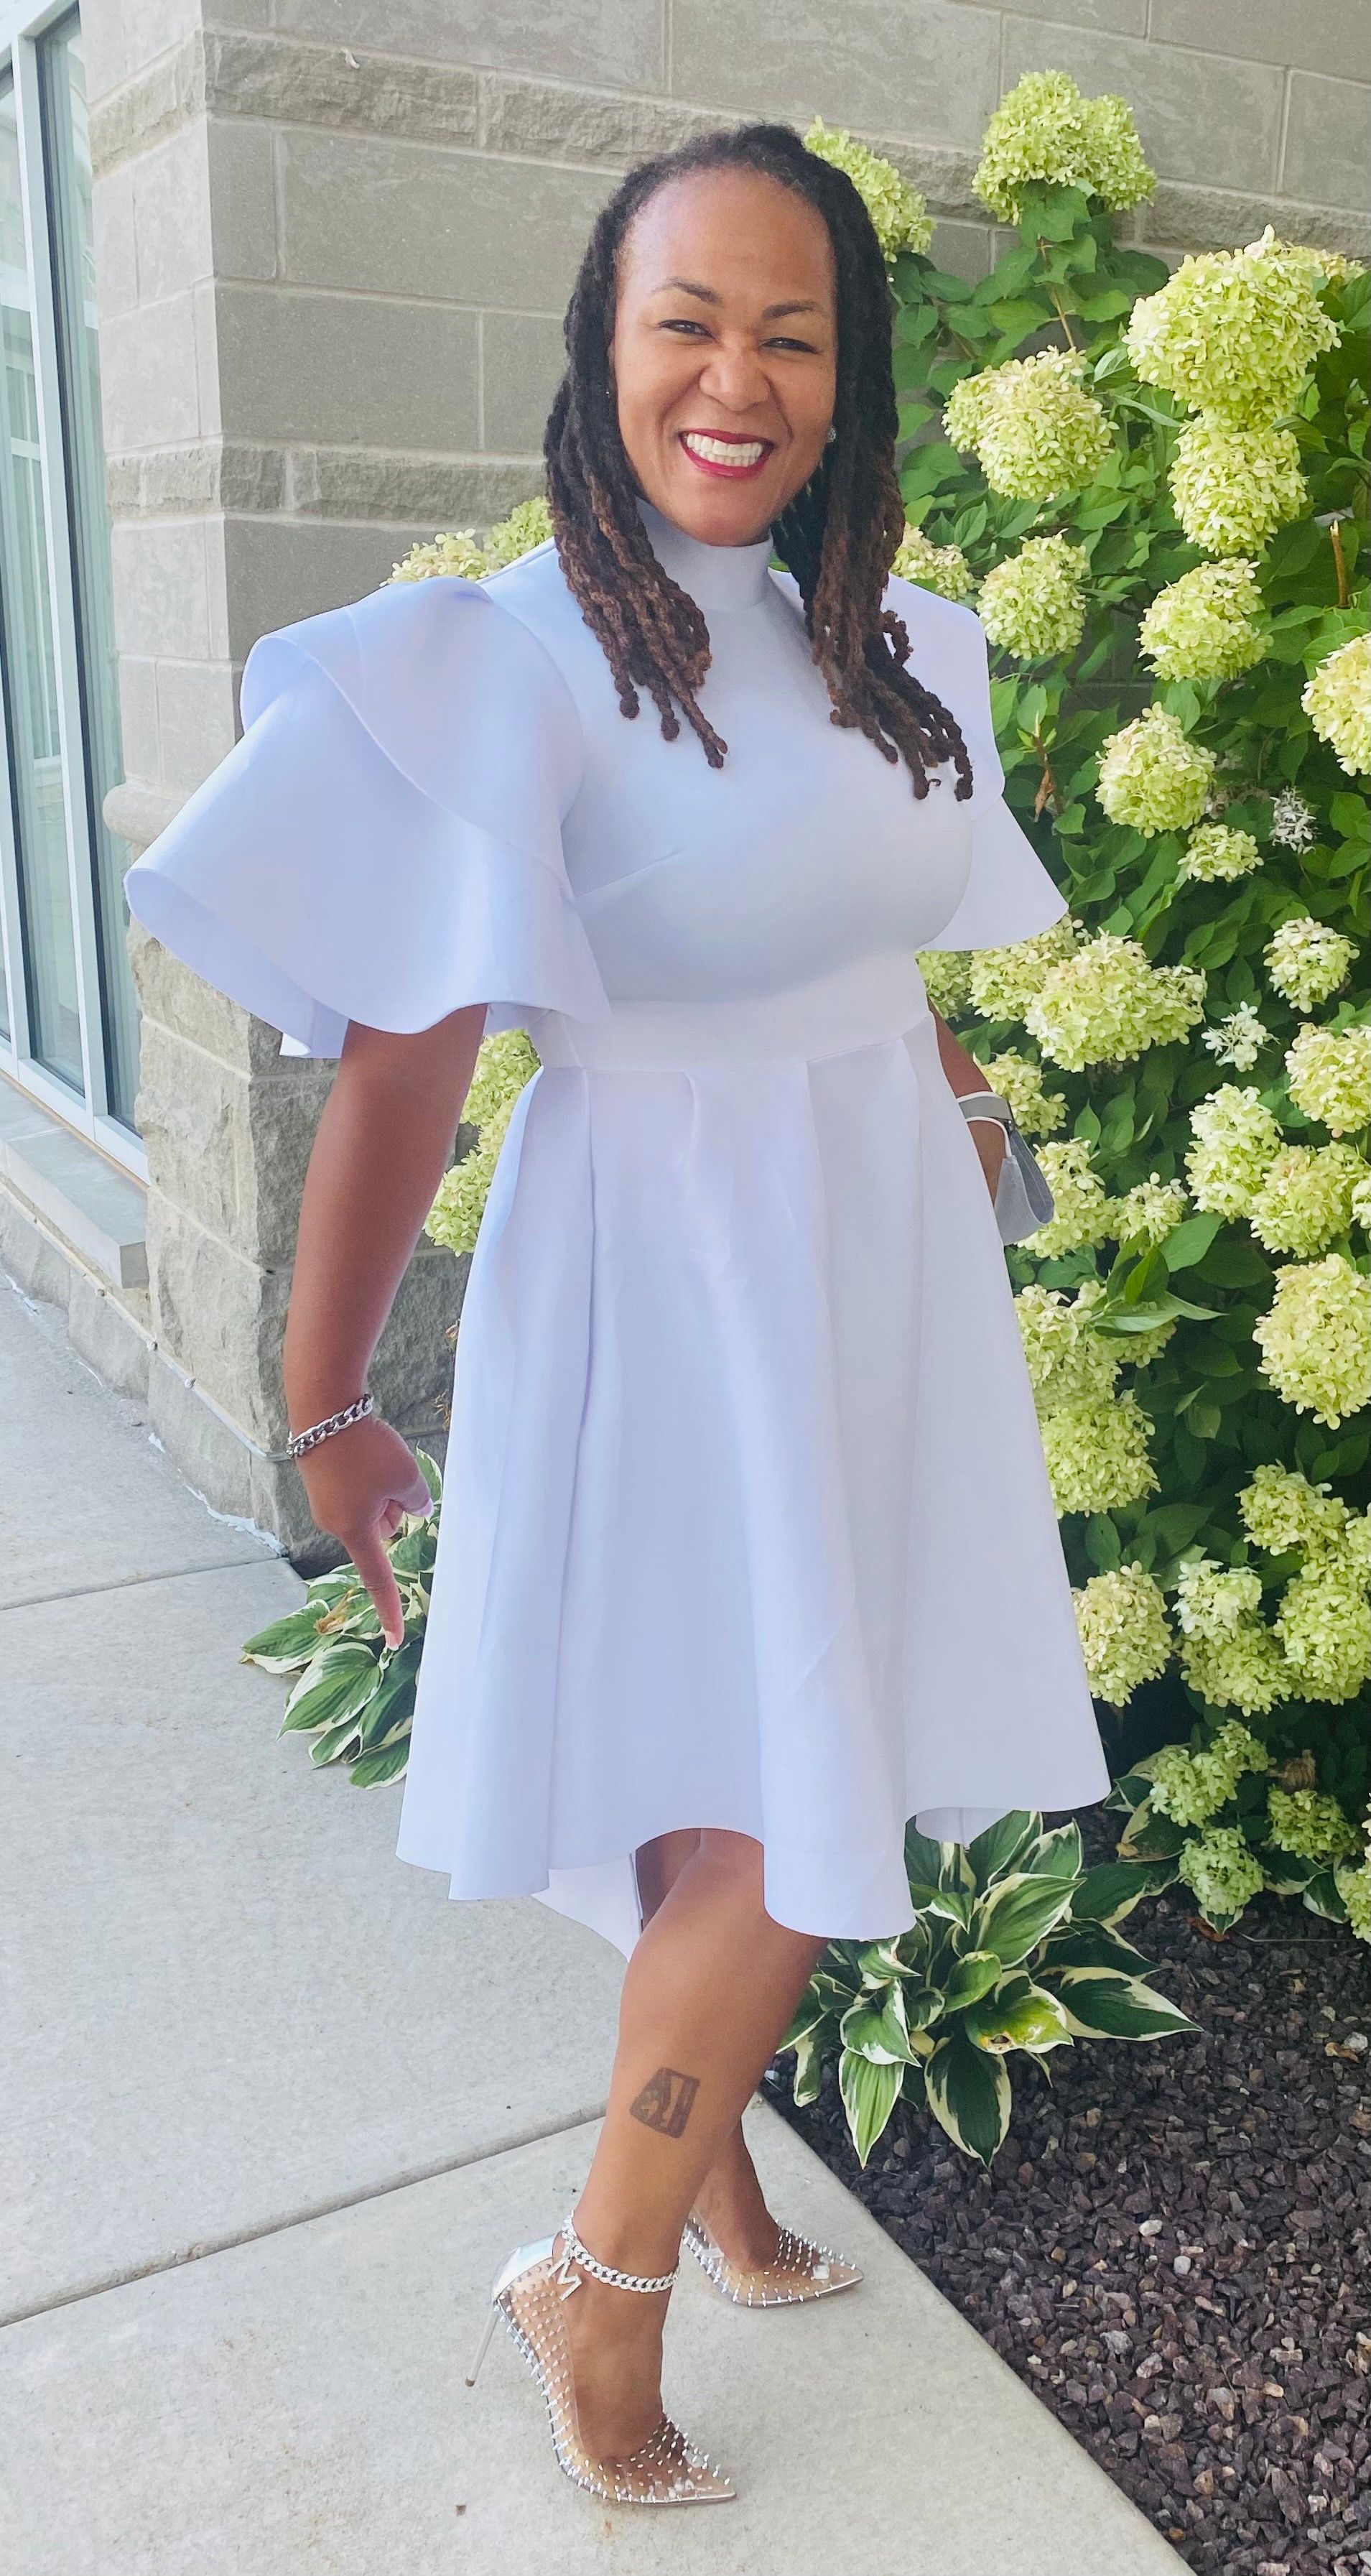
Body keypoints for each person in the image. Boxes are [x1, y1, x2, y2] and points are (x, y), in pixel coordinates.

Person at [124, 121, 1111, 2508]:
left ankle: (720, 2180)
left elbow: (863, 943)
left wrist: (965, 1116)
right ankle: (603, 2272)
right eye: (688, 322)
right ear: (602, 342)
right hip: (667, 1274)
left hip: (866, 1261)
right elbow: (406, 1058)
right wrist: (327, 1398)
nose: (736, 380)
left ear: (848, 377)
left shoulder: (891, 645)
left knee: (727, 1769)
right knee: (778, 1811)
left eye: (792, 334)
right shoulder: (517, 658)